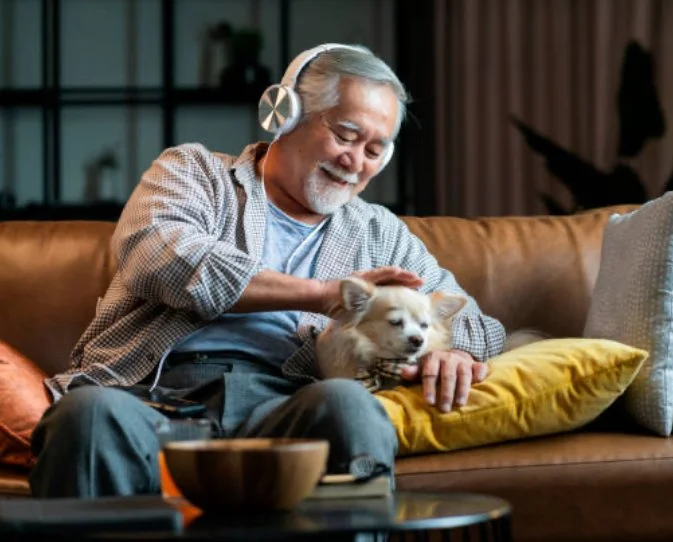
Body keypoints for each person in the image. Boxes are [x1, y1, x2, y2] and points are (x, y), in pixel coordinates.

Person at [29, 43, 506, 499]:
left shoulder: (381, 233)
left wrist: (453, 350)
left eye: (375, 150)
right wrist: (319, 294)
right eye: (345, 135)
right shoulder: (194, 172)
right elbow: (157, 255)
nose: (355, 162)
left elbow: (478, 327)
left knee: (348, 404)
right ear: (283, 114)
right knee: (86, 414)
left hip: (286, 406)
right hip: (150, 397)